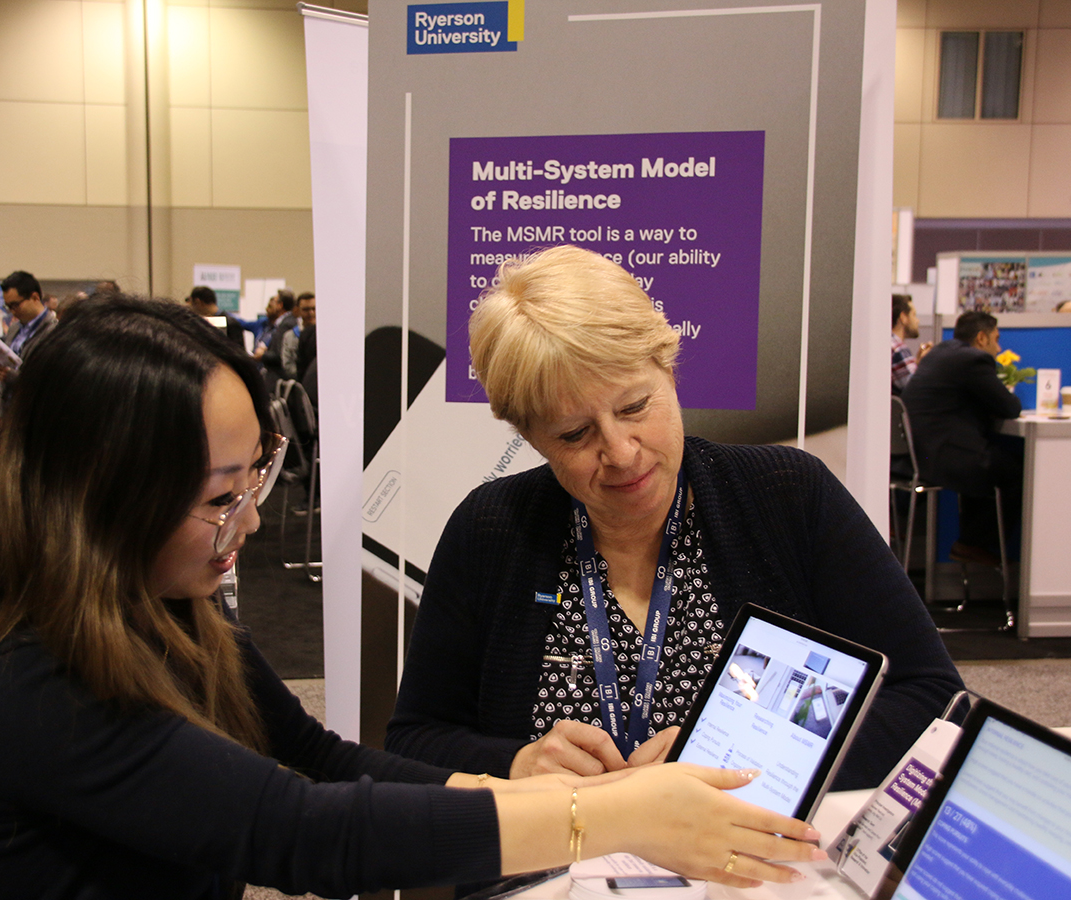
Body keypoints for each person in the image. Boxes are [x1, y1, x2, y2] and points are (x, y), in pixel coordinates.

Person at [0, 295, 827, 897]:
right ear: (97, 503)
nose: (249, 519)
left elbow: (319, 760)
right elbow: (299, 832)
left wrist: (544, 791)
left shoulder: (176, 622)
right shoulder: (31, 684)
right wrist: (610, 816)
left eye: (258, 477)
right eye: (219, 498)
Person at [386, 246, 963, 791]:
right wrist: (513, 764)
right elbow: (415, 741)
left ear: (669, 368)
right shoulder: (489, 531)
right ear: (530, 438)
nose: (621, 452)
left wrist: (746, 758)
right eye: (574, 434)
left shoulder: (785, 496)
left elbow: (931, 698)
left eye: (635, 406)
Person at [902, 311, 1022, 565]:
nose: (999, 348)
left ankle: (971, 543)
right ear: (981, 338)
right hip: (944, 456)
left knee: (991, 461)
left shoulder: (940, 352)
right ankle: (971, 543)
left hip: (921, 453)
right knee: (1018, 471)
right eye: (996, 339)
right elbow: (1009, 407)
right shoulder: (973, 360)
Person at [0, 270, 57, 430]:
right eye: (8, 307)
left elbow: (50, 381)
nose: (12, 311)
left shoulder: (55, 332)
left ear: (35, 297)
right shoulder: (14, 329)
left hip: (36, 414)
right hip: (9, 410)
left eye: (15, 305)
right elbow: (3, 374)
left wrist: (14, 377)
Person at [891, 293, 931, 394]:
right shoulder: (896, 347)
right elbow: (914, 389)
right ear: (903, 317)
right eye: (914, 315)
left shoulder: (891, 344)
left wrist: (918, 363)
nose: (917, 321)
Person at [186, 285, 246, 350]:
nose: (191, 309)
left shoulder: (231, 324)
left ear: (198, 302)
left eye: (192, 304)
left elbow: (239, 353)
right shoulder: (202, 322)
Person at [281, 291, 316, 380]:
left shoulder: (324, 335)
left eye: (314, 309)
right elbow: (287, 364)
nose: (311, 313)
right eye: (306, 309)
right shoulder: (290, 336)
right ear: (298, 310)